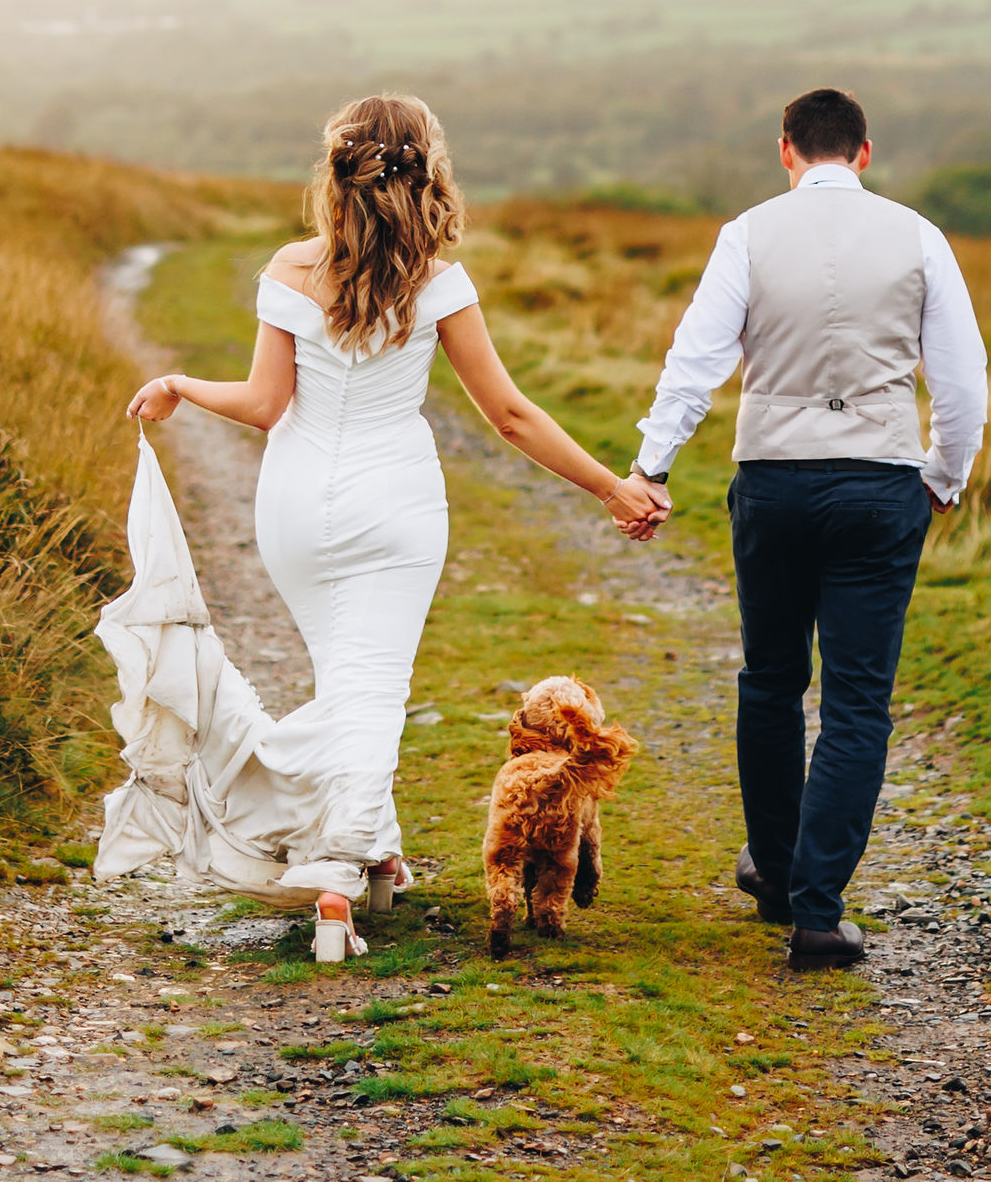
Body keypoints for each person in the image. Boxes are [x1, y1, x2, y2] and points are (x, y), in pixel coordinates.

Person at [96, 94, 662, 961]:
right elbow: (508, 415)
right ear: (427, 172)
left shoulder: (290, 269)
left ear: (337, 173)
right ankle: (334, 880)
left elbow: (262, 405)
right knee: (370, 688)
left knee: (351, 679)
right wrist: (609, 489)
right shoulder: (438, 281)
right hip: (394, 507)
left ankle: (382, 854)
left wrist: (179, 383)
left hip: (294, 506)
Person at [623, 86, 987, 970]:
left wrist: (652, 466)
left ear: (785, 151)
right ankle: (817, 914)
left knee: (772, 678)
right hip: (879, 483)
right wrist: (945, 473)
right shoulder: (920, 237)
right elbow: (963, 378)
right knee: (859, 699)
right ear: (864, 154)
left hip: (775, 482)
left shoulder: (747, 233)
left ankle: (779, 873)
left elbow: (696, 361)